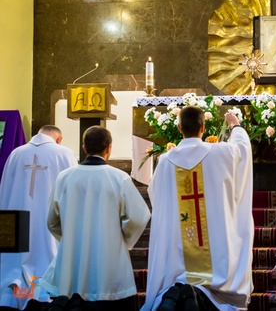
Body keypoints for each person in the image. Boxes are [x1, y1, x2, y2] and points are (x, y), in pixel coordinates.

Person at [142, 107, 253, 311]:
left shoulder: (166, 161)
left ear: (178, 127)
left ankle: (179, 289)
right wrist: (235, 126)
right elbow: (242, 149)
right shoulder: (222, 152)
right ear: (203, 127)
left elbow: (156, 196)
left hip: (178, 253)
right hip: (216, 255)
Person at [40, 125, 151, 310]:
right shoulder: (119, 178)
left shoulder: (64, 178)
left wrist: (71, 239)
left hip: (73, 264)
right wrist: (122, 241)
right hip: (110, 266)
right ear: (109, 148)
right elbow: (139, 217)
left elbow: (52, 221)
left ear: (84, 148)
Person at [0, 125, 77, 311]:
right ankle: (45, 294)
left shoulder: (16, 154)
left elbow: (4, 190)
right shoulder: (64, 154)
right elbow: (74, 193)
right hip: (50, 223)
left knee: (16, 263)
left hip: (17, 223)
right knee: (50, 256)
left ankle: (15, 295)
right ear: (59, 138)